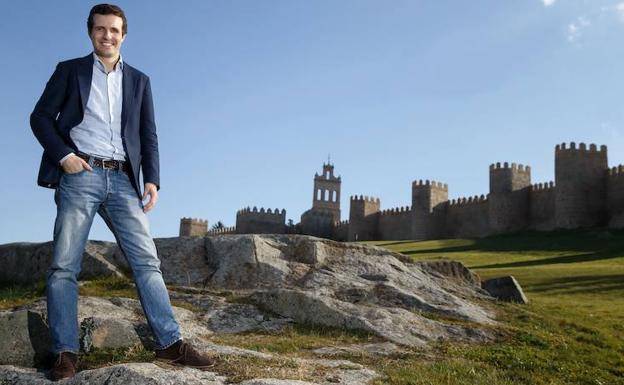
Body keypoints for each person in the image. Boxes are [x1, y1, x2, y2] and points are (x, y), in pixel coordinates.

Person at [30, 4, 215, 381]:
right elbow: (40, 118)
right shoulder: (69, 71)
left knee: (148, 262)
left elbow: (148, 133)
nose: (107, 36)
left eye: (114, 30)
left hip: (123, 180)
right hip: (80, 172)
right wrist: (64, 156)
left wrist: (152, 179)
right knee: (64, 266)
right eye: (100, 29)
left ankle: (169, 343)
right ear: (90, 33)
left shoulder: (140, 80)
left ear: (124, 35)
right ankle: (65, 353)